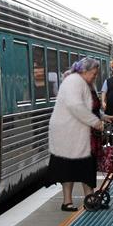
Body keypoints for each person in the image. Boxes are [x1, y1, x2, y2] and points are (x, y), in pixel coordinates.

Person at [47, 58, 108, 212]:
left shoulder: (87, 84)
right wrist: (96, 123)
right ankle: (67, 201)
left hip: (84, 132)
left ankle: (90, 198)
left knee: (87, 166)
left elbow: (91, 106)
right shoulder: (72, 82)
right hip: (69, 132)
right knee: (69, 168)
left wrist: (102, 116)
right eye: (94, 74)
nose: (95, 77)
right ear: (84, 71)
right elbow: (76, 106)